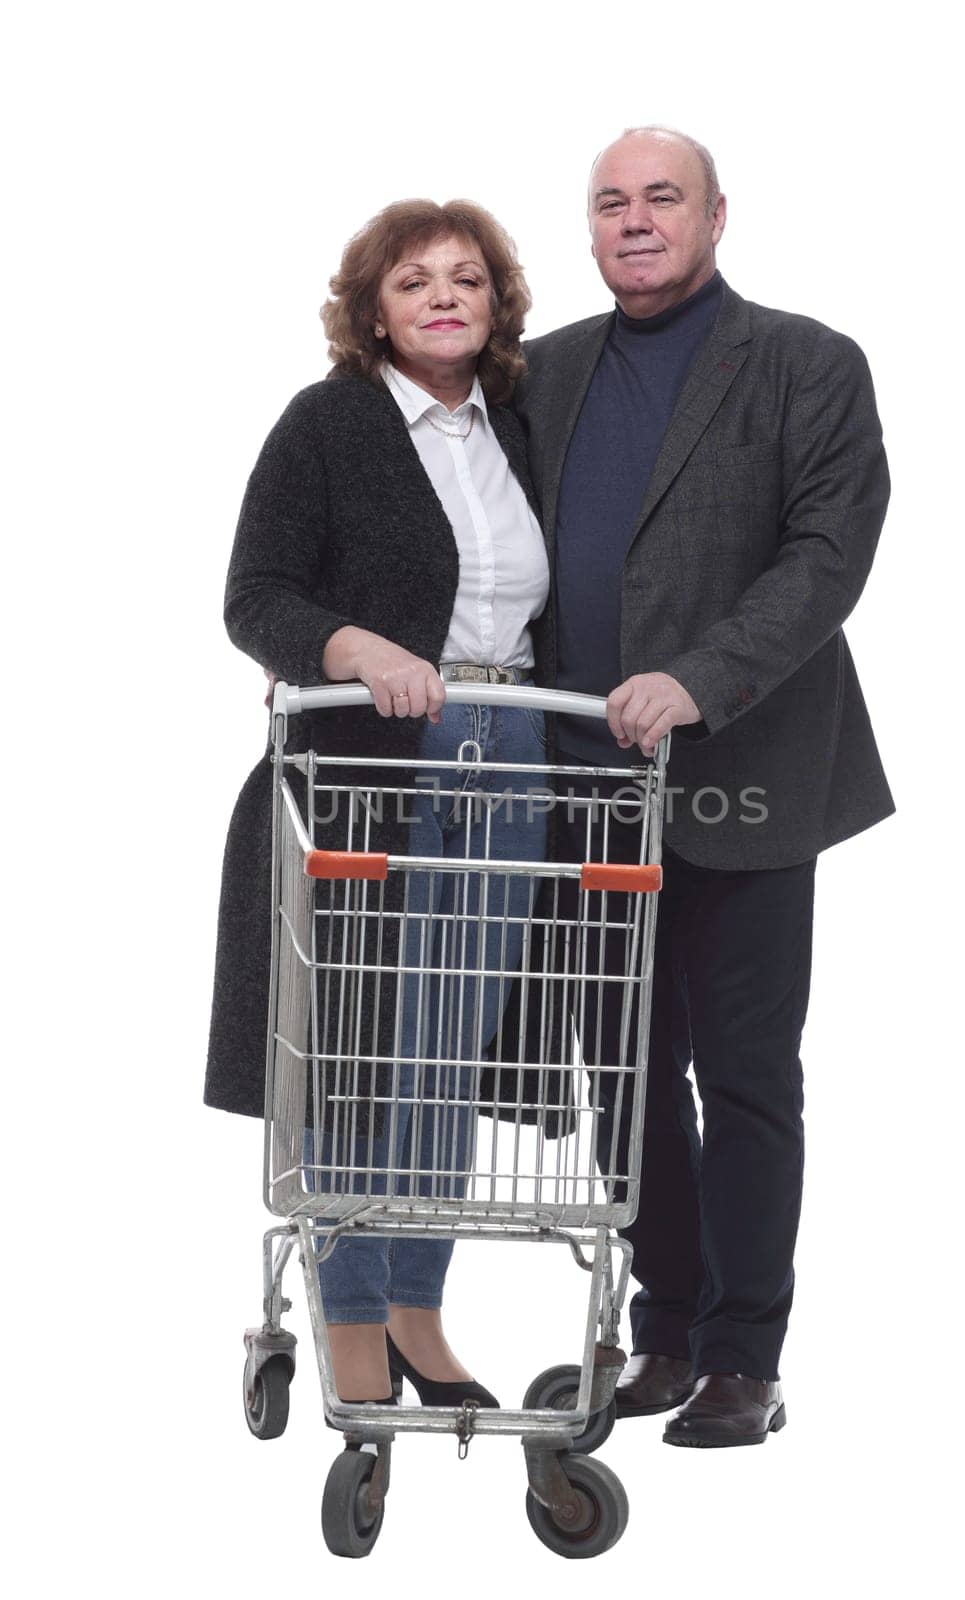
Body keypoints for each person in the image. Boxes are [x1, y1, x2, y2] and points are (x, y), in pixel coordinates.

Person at [514, 126, 893, 1446]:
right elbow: (491, 553)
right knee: (621, 1072)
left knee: (739, 1073)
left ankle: (743, 1354)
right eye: (608, 202)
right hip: (581, 785)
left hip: (742, 774)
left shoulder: (801, 362)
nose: (632, 221)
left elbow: (826, 552)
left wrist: (697, 678)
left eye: (657, 198)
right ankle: (662, 1329)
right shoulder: (541, 372)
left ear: (714, 216)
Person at [205, 199, 551, 1408]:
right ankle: (350, 1313)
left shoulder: (518, 424)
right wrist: (348, 643)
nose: (444, 296)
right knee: (353, 1042)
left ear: (498, 306)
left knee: (446, 1050)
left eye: (468, 278)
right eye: (414, 281)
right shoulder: (330, 423)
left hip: (517, 753)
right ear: (372, 310)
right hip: (375, 755)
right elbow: (255, 596)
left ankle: (417, 1305)